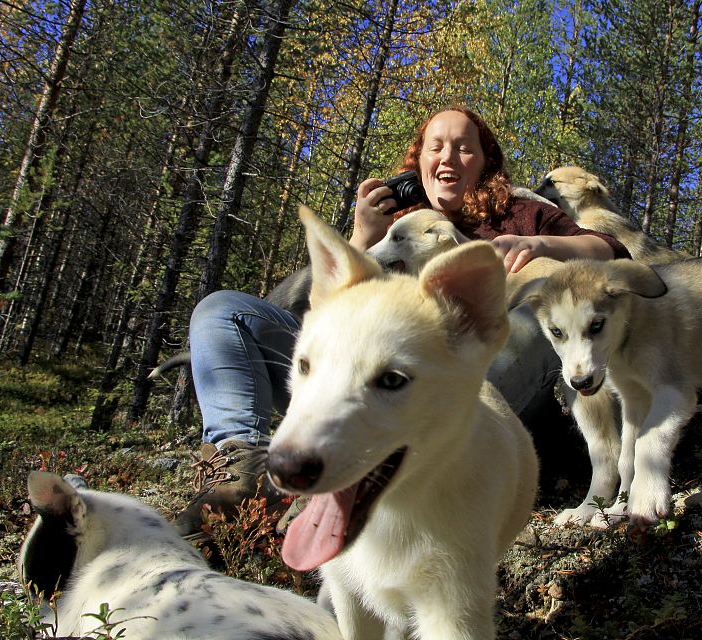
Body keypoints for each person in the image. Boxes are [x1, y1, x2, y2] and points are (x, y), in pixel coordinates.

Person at [172, 106, 629, 537]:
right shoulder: (395, 229)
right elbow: (329, 318)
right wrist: (363, 236)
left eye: (464, 147)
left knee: (533, 313)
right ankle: (241, 469)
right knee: (223, 311)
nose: (448, 156)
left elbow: (610, 249)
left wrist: (542, 245)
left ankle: (340, 482)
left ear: (485, 162)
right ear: (419, 162)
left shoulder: (521, 212)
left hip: (485, 395)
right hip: (362, 392)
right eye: (436, 146)